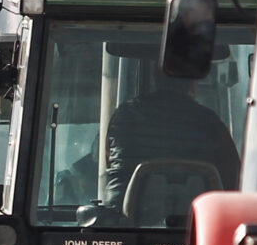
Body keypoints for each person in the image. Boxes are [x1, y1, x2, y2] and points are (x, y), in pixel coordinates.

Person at [102, 72, 243, 216]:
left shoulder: (124, 116)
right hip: (197, 225)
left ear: (156, 79)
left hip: (121, 223)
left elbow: (110, 163)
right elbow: (235, 180)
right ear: (192, 83)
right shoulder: (210, 122)